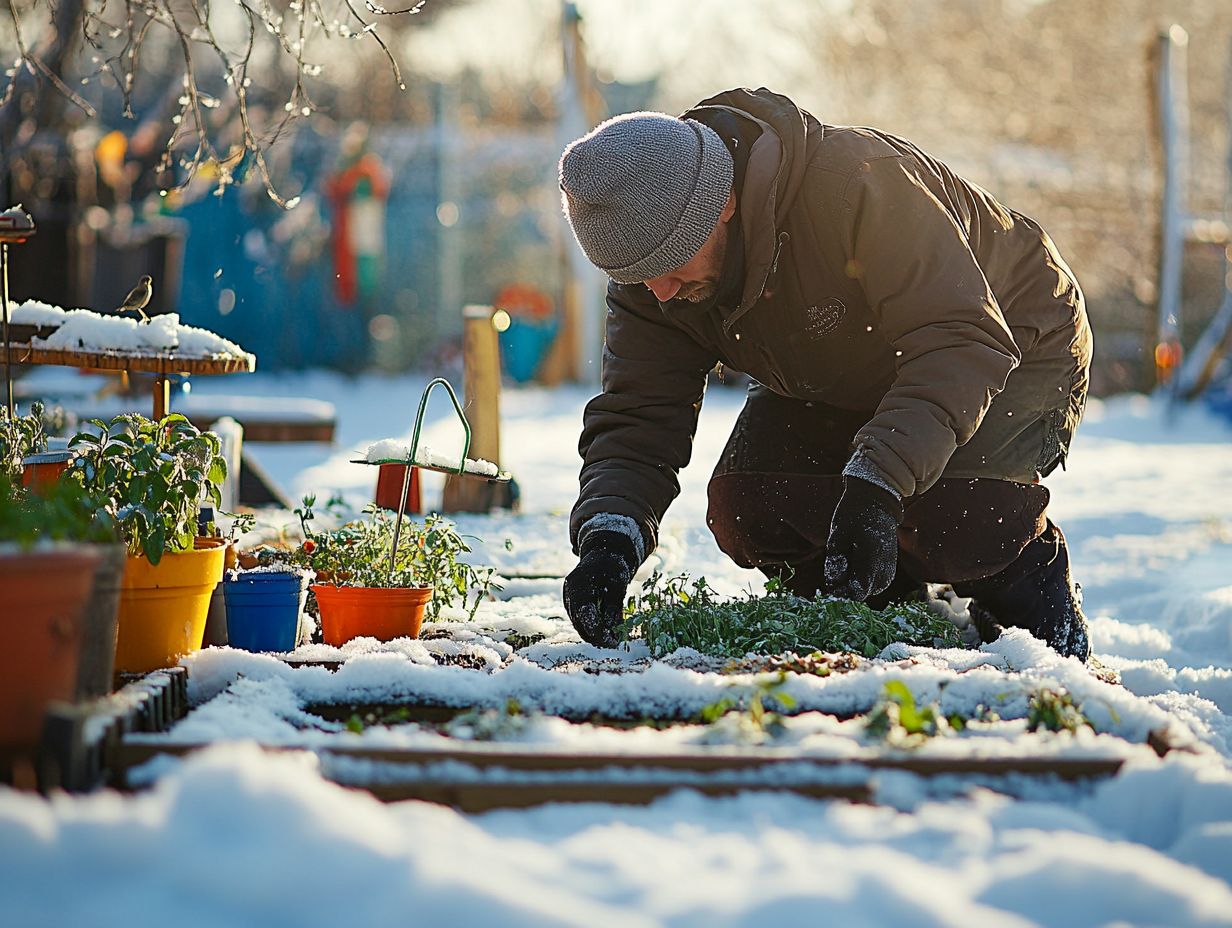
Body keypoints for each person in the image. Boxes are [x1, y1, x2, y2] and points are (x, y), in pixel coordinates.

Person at [557, 87, 1093, 661]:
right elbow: (641, 411)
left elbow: (960, 342)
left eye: (668, 263)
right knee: (751, 502)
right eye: (638, 277)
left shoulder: (858, 185)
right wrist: (609, 540)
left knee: (959, 516)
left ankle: (1031, 611)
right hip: (845, 367)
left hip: (1009, 338)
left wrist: (878, 485)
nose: (659, 291)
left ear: (723, 204)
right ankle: (887, 614)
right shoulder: (654, 272)